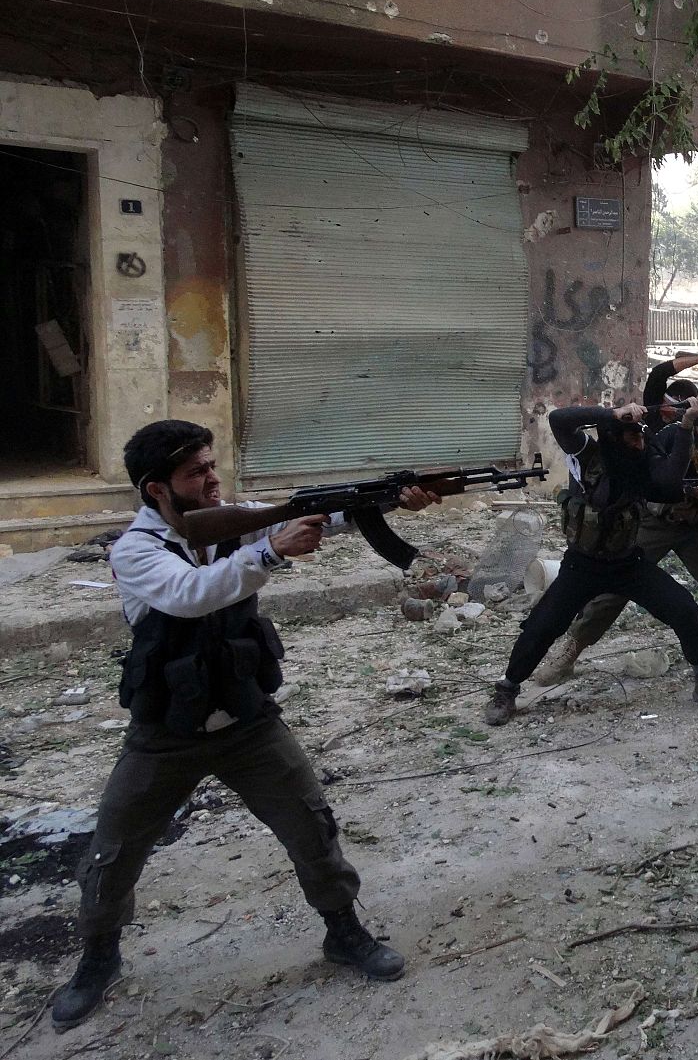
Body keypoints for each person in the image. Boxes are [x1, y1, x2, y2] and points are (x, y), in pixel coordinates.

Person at [52, 420, 439, 1033]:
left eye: (211, 465)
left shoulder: (233, 520)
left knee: (311, 826)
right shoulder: (135, 550)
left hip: (246, 717)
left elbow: (327, 516)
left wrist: (388, 500)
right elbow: (191, 593)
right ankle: (99, 958)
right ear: (156, 489)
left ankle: (343, 932)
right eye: (196, 473)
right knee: (114, 851)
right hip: (167, 732)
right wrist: (271, 552)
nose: (212, 479)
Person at [534, 359, 698, 689]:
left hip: (692, 525)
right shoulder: (664, 435)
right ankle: (571, 651)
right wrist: (691, 490)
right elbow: (658, 480)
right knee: (613, 589)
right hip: (654, 522)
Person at [483, 395, 698, 725]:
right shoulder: (588, 454)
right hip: (583, 565)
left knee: (683, 608)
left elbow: (670, 483)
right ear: (614, 435)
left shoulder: (642, 462)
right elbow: (559, 420)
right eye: (632, 436)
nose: (639, 442)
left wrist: (686, 425)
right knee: (543, 625)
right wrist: (612, 413)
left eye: (641, 436)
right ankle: (507, 689)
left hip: (627, 563)